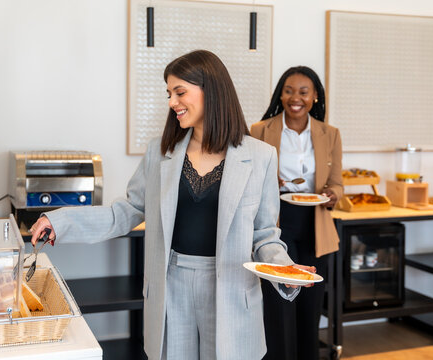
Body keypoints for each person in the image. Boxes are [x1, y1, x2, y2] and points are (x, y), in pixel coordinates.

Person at [29, 50, 315, 360]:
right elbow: (125, 212)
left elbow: (264, 234)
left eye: (180, 92)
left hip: (230, 288)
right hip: (171, 286)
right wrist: (61, 222)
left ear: (212, 91)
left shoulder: (260, 156)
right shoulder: (160, 152)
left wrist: (284, 268)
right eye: (169, 93)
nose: (172, 102)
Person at [250, 66, 343, 360]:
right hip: (275, 225)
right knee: (278, 307)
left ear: (315, 96)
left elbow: (337, 182)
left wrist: (332, 195)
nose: (295, 98)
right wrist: (267, 182)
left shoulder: (330, 134)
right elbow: (246, 181)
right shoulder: (259, 131)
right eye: (289, 91)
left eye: (304, 92)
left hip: (315, 227)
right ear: (281, 94)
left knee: (310, 307)